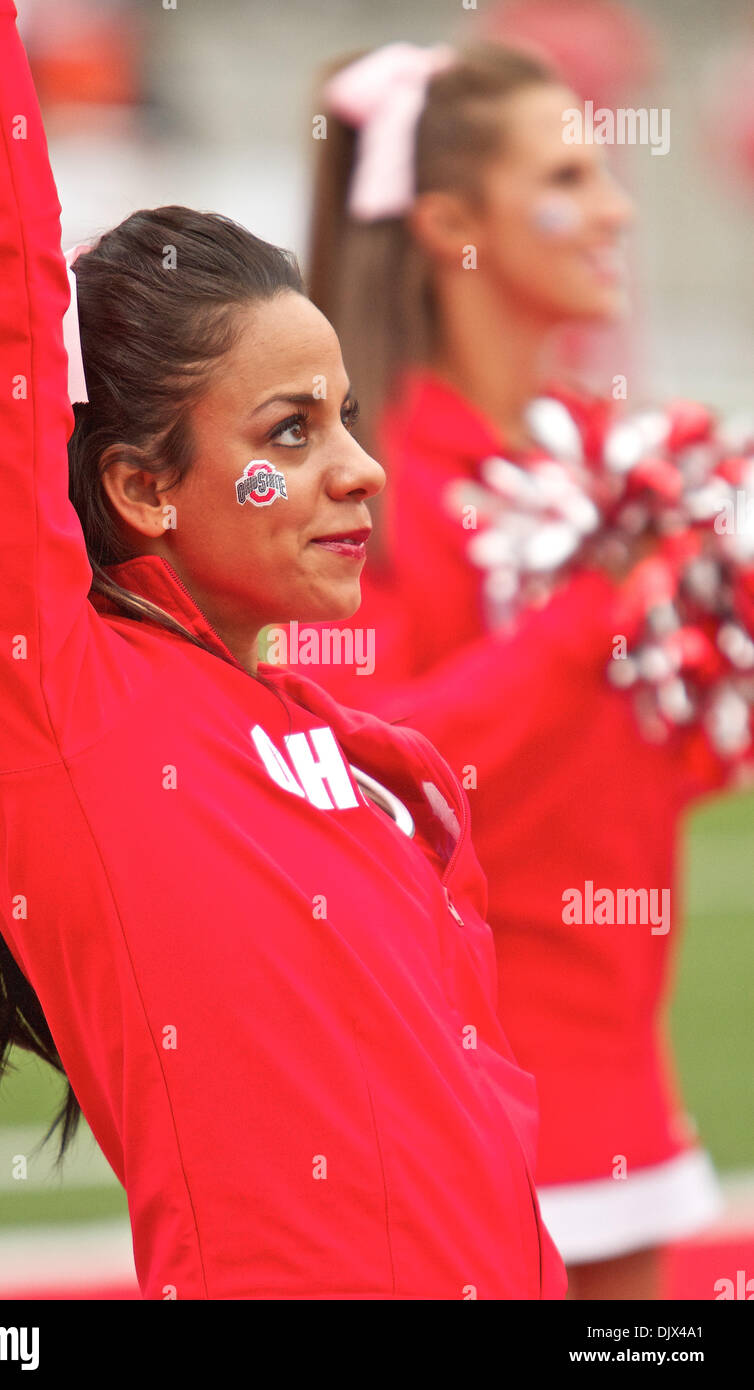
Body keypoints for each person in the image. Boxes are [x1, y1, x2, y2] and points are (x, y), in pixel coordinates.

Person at [0, 0, 566, 1300]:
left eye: (345, 417)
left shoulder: (348, 756)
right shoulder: (45, 696)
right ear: (144, 486)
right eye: (289, 434)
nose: (361, 470)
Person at [302, 41, 739, 1299]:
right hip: (457, 1095)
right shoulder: (362, 480)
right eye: (568, 176)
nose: (615, 210)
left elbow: (658, 764)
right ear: (450, 225)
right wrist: (589, 612)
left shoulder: (614, 459)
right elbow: (365, 778)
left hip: (623, 1071)